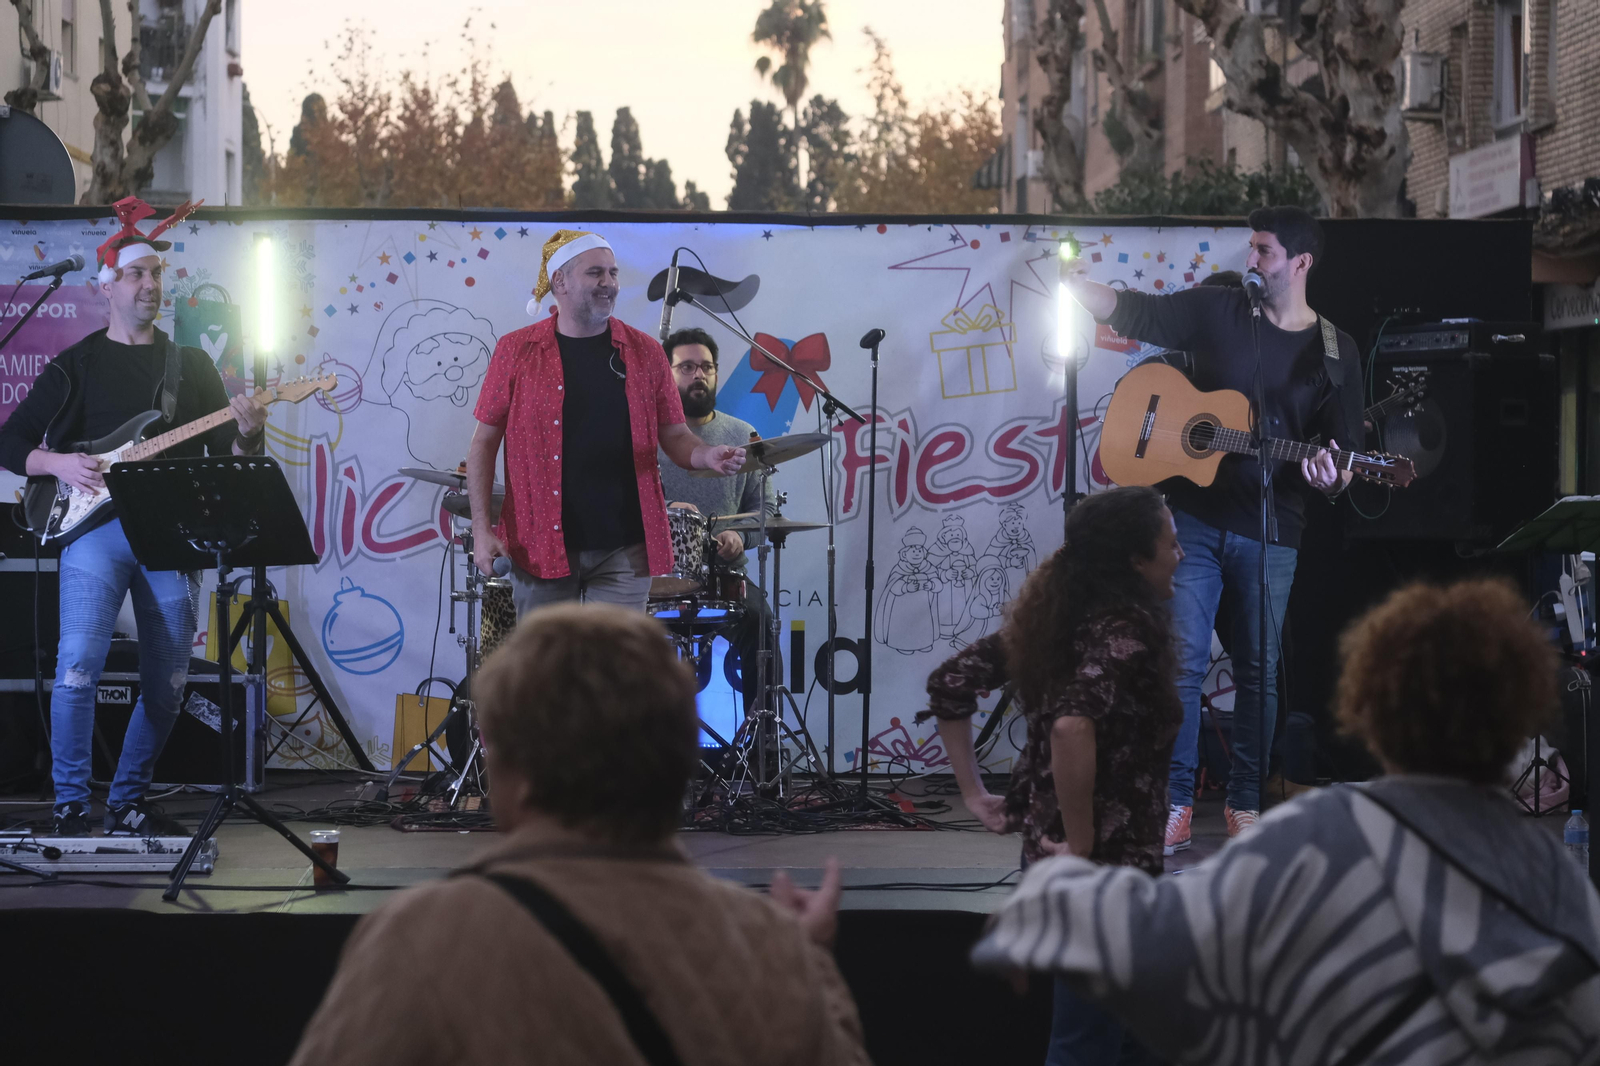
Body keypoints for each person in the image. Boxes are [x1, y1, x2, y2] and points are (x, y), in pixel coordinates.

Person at [972, 577, 1600, 1065]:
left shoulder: (1325, 833)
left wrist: (1052, 897)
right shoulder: (1565, 887)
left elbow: (1163, 947)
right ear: (1524, 715)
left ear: (1370, 704)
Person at [288, 603, 870, 1066]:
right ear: (681, 759)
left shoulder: (421, 939)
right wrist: (811, 964)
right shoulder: (768, 950)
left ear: (508, 770)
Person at [1062, 206, 1363, 851]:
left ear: (1301, 263)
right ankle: (1173, 801)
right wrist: (1079, 289)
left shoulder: (1337, 353)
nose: (1251, 260)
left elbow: (1341, 461)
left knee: (1259, 670)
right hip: (1191, 523)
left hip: (1272, 527)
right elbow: (1140, 313)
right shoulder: (1218, 310)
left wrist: (1328, 476)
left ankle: (1245, 801)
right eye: (1251, 247)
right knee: (1183, 663)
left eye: (1264, 251)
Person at [0, 196, 268, 837]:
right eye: (137, 275)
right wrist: (58, 464)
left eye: (157, 276)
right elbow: (10, 443)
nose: (151, 286)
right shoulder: (77, 364)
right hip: (92, 534)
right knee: (78, 663)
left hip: (169, 535)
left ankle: (127, 799)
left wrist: (248, 436)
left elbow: (222, 456)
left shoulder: (191, 366)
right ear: (107, 287)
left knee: (169, 678)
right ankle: (69, 803)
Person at [921, 486, 1184, 1066]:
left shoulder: (1055, 622)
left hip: (1071, 872)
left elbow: (950, 681)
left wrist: (975, 794)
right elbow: (1071, 726)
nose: (1181, 554)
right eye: (1172, 542)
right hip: (1101, 875)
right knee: (1089, 1043)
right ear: (1136, 560)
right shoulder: (1126, 632)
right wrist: (1084, 842)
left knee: (1129, 1039)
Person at [466, 230, 746, 616]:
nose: (609, 283)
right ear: (559, 281)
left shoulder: (645, 352)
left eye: (613, 273)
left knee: (612, 672)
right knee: (549, 671)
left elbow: (677, 436)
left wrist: (707, 455)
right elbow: (483, 444)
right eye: (595, 272)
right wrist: (482, 532)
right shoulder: (517, 350)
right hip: (539, 546)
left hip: (625, 547)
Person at [656, 326, 777, 711]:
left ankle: (761, 742)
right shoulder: (646, 436)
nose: (699, 375)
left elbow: (766, 510)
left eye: (706, 367)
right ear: (667, 372)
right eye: (686, 366)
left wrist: (742, 537)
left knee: (762, 625)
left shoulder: (742, 435)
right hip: (657, 577)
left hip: (725, 577)